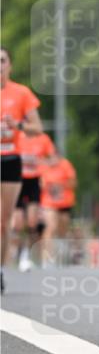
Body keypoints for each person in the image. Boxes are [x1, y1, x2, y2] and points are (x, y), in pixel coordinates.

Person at [0, 47, 44, 292]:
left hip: (9, 160)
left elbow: (36, 128)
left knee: (4, 221)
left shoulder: (21, 93)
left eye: (2, 61)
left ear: (10, 66)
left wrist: (17, 124)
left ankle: (1, 269)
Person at [12, 127, 56, 270]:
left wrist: (41, 163)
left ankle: (28, 255)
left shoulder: (43, 139)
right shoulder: (16, 136)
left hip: (34, 182)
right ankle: (17, 254)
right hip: (18, 180)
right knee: (17, 224)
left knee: (32, 222)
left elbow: (53, 159)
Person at [40, 149, 77, 257]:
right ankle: (47, 257)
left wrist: (60, 185)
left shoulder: (66, 166)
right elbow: (41, 184)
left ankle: (62, 248)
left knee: (63, 227)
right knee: (51, 226)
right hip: (49, 203)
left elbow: (73, 183)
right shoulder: (44, 168)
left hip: (65, 203)